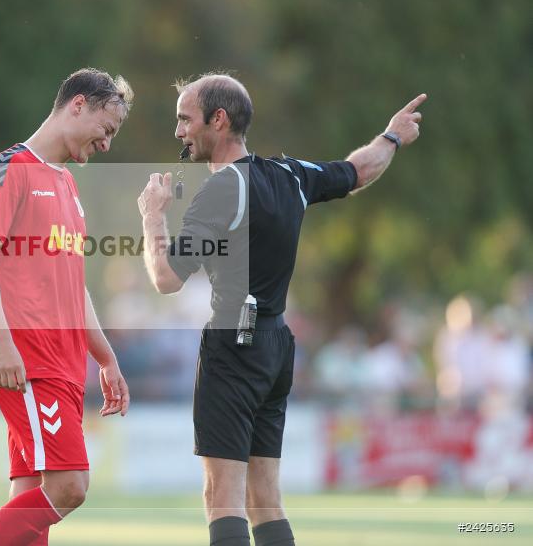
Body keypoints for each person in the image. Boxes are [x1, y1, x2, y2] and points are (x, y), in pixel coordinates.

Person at [137, 73, 425, 546]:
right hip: (275, 346)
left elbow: (166, 278)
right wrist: (391, 136)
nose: (179, 132)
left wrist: (152, 216)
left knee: (222, 497)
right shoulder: (290, 175)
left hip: (234, 346)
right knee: (265, 498)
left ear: (219, 119)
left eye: (185, 120)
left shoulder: (223, 190)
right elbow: (358, 171)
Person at [0, 68, 133, 545]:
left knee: (32, 492)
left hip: (63, 362)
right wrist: (3, 343)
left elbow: (73, 289)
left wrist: (105, 357)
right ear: (78, 105)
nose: (107, 144)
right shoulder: (12, 167)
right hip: (28, 359)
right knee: (70, 486)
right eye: (107, 129)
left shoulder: (67, 186)